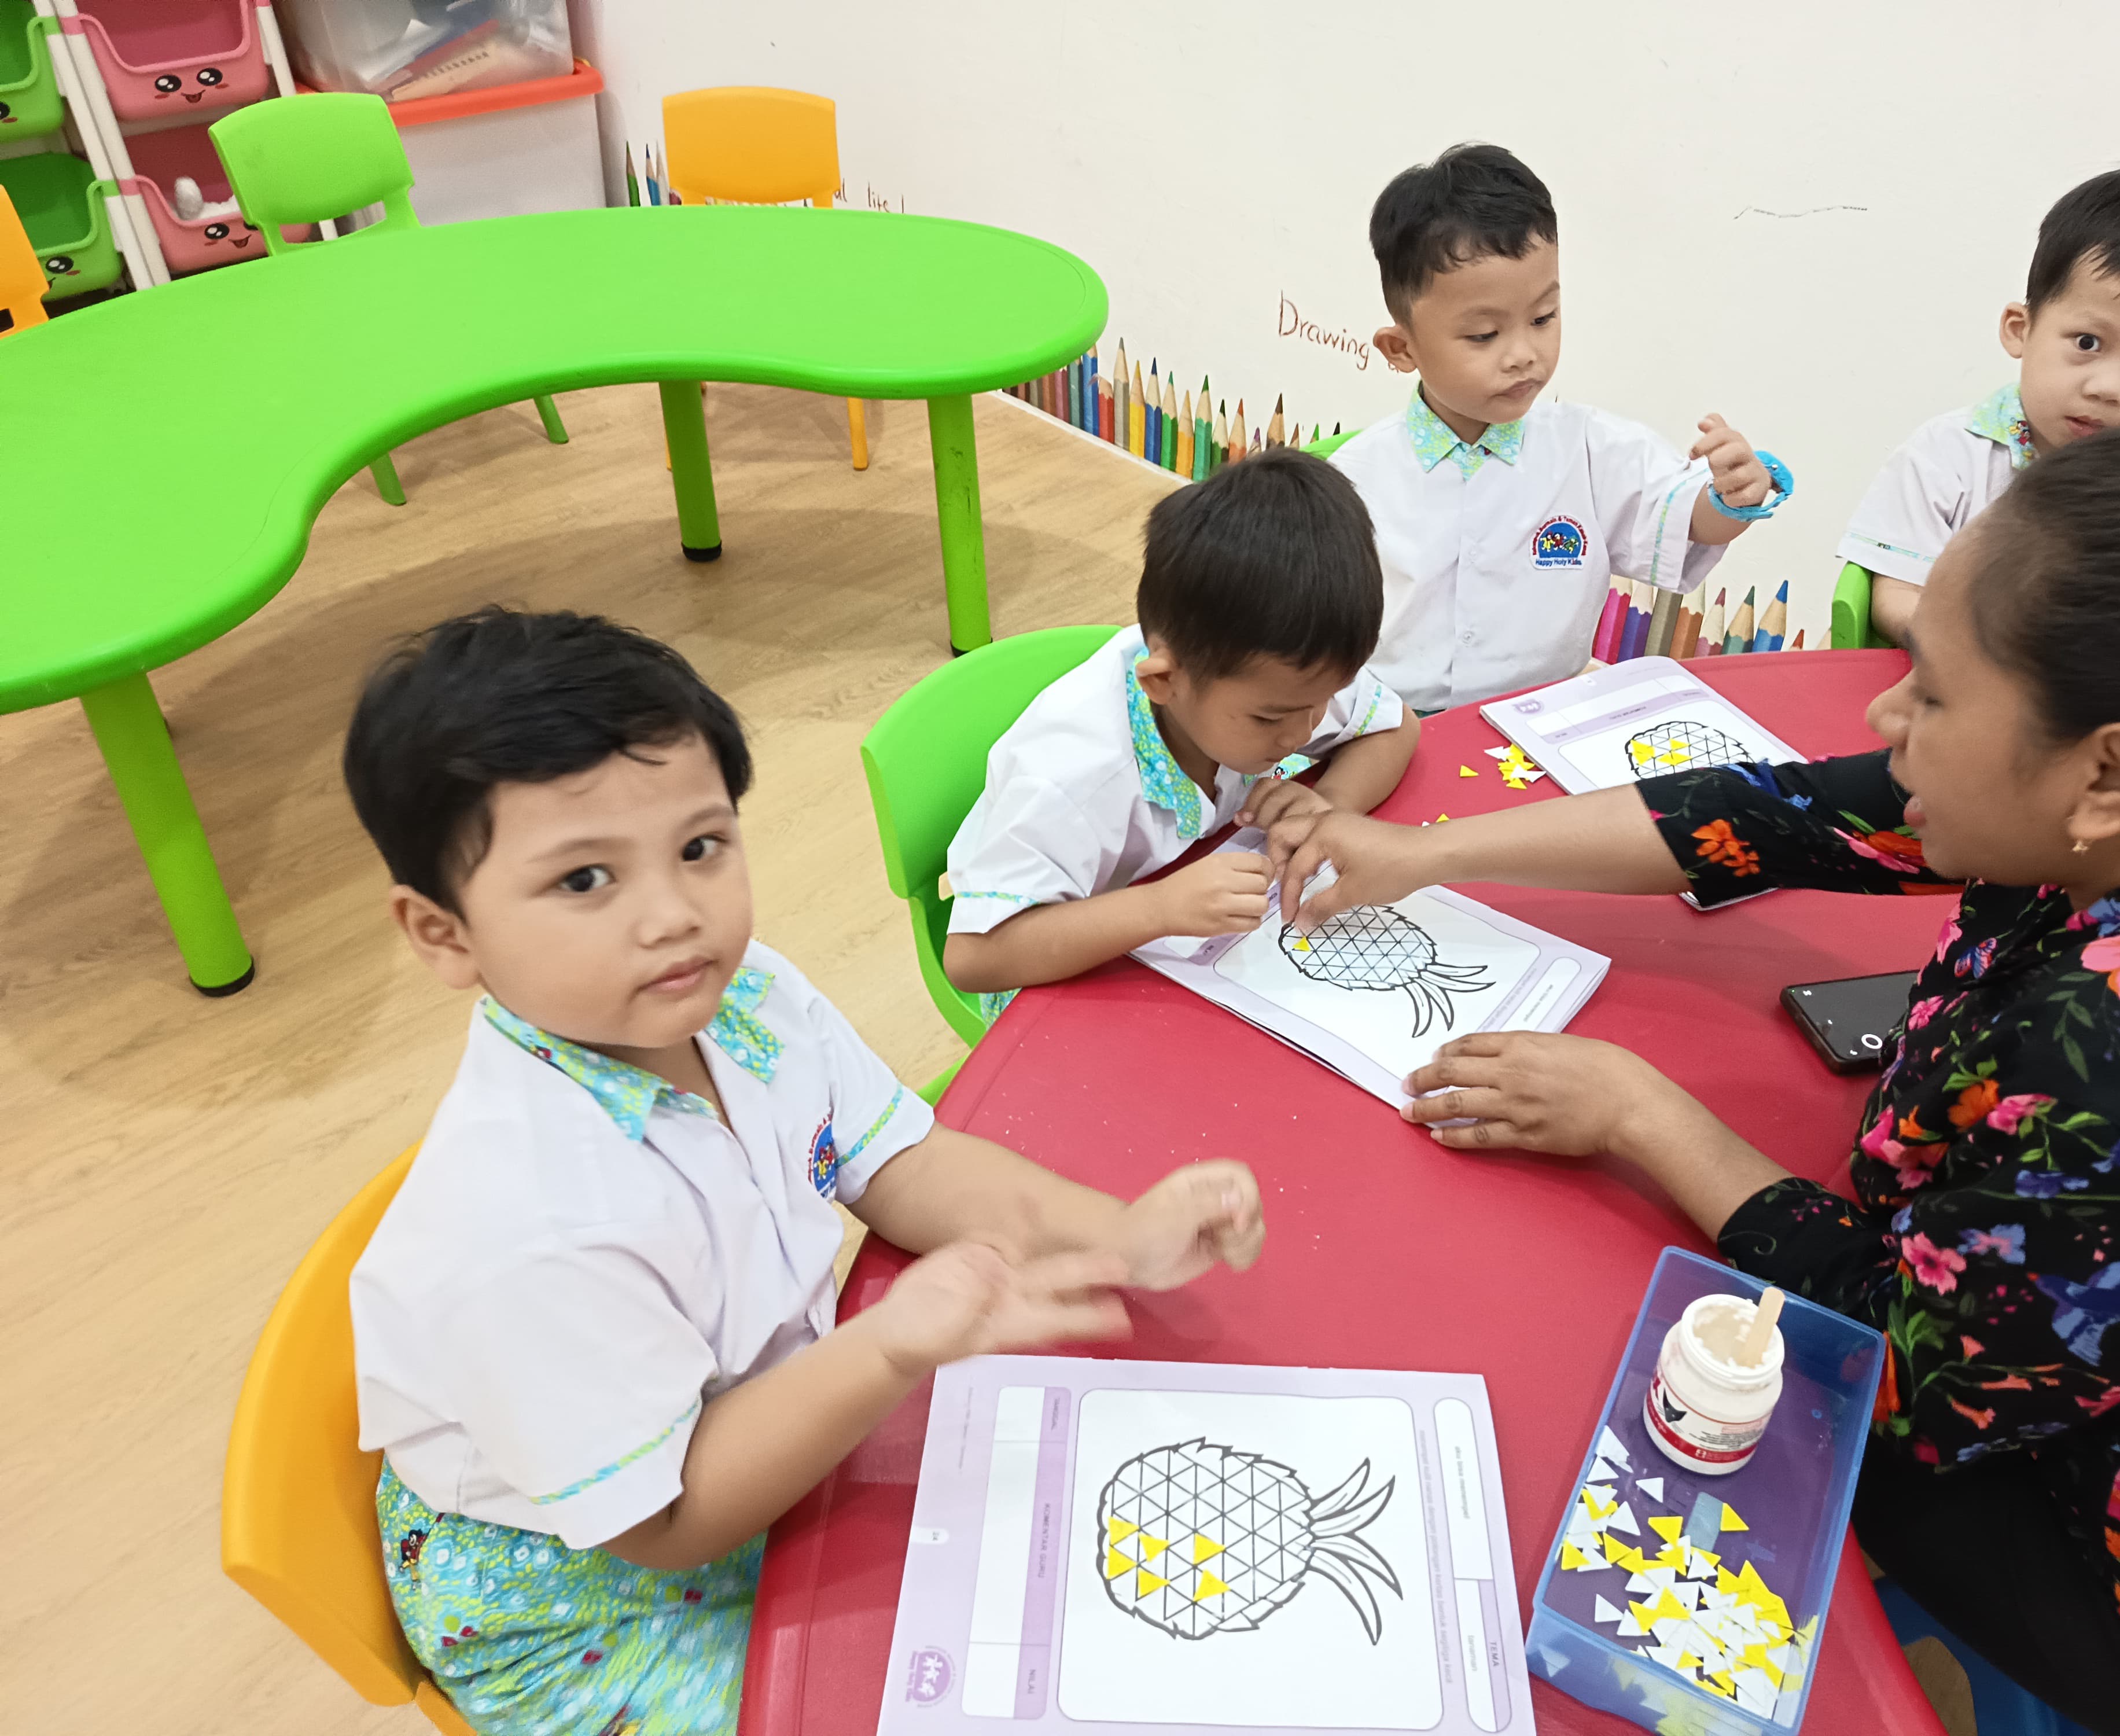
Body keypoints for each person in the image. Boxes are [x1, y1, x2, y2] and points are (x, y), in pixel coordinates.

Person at [1278, 416, 2120, 1736]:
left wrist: (1641, 1112)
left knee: (1662, 1416)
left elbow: (1906, 1370)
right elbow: (1788, 812)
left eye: (1930, 694)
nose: (1886, 717)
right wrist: (1430, 851)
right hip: (2054, 1312)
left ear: (2111, 773)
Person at [340, 609, 1268, 1736]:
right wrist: (884, 1345)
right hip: (581, 1591)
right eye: (584, 880)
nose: (673, 915)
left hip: (747, 1428)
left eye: (699, 847)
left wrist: (1114, 1236)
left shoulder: (750, 1003)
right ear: (444, 935)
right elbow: (669, 1519)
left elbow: (904, 1162)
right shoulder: (527, 1231)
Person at [943, 447, 1419, 1005]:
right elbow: (974, 958)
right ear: (1163, 682)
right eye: (1270, 718)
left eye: (1324, 702)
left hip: (1201, 949)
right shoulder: (1070, 778)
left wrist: (1330, 806)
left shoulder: (1280, 675)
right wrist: (1158, 908)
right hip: (1065, 980)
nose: (1300, 733)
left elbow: (1396, 727)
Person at [1328, 143, 1781, 713]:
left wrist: (1732, 497)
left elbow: (1686, 521)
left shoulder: (1590, 450)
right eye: (1483, 336)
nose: (1523, 354)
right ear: (1402, 348)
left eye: (1543, 319)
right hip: (1382, 730)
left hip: (1544, 725)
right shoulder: (1350, 482)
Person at [1842, 167, 2120, 646]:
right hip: (1940, 686)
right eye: (2088, 342)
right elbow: (1895, 593)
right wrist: (1985, 657)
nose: (2111, 388)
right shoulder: (1947, 458)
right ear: (2020, 329)